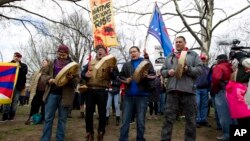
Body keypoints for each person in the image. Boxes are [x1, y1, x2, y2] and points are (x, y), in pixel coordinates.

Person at [160, 36, 202, 141]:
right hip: (172, 92)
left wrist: (188, 69)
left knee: (191, 120)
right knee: (168, 119)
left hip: (188, 91)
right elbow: (162, 71)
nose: (178, 43)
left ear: (185, 43)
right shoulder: (169, 56)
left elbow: (200, 70)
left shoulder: (193, 55)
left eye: (180, 42)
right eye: (176, 42)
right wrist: (167, 72)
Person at [40, 45, 79, 141]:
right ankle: (45, 139)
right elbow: (43, 75)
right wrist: (49, 79)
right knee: (48, 118)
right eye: (60, 54)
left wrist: (71, 78)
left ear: (68, 54)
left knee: (62, 120)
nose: (61, 56)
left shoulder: (73, 65)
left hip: (65, 96)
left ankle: (60, 139)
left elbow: (77, 80)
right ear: (57, 53)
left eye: (64, 55)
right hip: (52, 94)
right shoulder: (51, 64)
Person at [119, 46, 155, 141]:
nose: (132, 53)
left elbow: (153, 75)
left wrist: (147, 76)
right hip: (128, 96)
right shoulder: (126, 65)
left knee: (140, 121)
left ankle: (140, 139)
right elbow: (120, 76)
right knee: (125, 120)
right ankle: (123, 139)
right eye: (131, 52)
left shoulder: (146, 63)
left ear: (139, 53)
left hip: (142, 96)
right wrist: (125, 79)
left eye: (134, 51)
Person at [81, 45, 116, 141]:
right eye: (98, 50)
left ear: (105, 53)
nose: (99, 51)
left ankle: (101, 132)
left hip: (102, 91)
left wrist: (112, 71)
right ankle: (89, 133)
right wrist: (85, 75)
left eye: (102, 50)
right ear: (96, 53)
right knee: (88, 112)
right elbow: (82, 74)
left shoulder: (110, 64)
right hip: (90, 90)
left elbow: (114, 77)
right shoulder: (90, 63)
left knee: (102, 112)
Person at [211, 54, 233, 140]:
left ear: (220, 59)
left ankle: (227, 135)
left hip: (221, 91)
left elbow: (216, 78)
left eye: (217, 59)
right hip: (231, 91)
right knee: (231, 114)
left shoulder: (219, 66)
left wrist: (214, 90)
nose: (216, 61)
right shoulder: (230, 66)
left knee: (224, 115)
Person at [1, 52, 28, 122]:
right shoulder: (9, 64)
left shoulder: (24, 65)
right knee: (7, 101)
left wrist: (18, 65)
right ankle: (5, 116)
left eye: (18, 57)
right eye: (16, 56)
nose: (17, 57)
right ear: (13, 56)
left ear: (20, 58)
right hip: (8, 86)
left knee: (15, 101)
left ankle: (11, 116)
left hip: (18, 86)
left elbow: (24, 72)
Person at [25, 59, 50, 125]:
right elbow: (33, 80)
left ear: (48, 63)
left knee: (44, 106)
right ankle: (32, 118)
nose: (43, 63)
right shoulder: (38, 71)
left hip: (45, 91)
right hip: (37, 91)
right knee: (34, 104)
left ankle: (43, 119)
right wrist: (31, 89)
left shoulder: (50, 71)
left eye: (45, 62)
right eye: (42, 62)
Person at [195, 54, 211, 128]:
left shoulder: (208, 69)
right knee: (197, 104)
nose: (202, 60)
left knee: (204, 105)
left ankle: (203, 120)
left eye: (204, 59)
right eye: (201, 58)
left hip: (205, 89)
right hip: (196, 89)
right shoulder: (195, 68)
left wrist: (209, 88)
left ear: (206, 59)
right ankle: (197, 120)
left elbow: (210, 79)